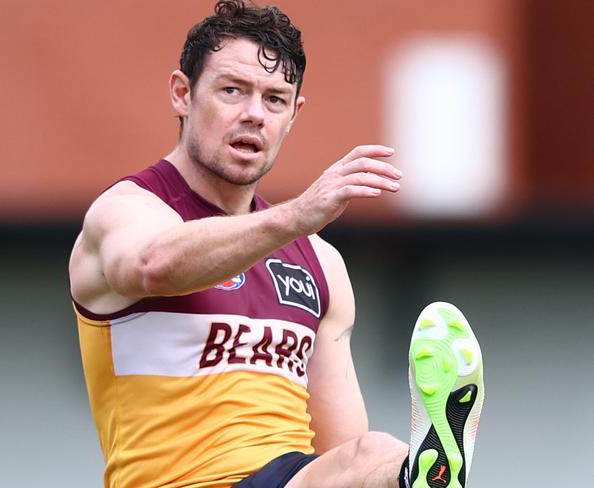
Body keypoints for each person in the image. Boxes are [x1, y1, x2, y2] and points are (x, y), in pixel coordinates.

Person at [68, 2, 484, 487]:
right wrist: (295, 216)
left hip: (285, 479)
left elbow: (341, 448)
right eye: (232, 91)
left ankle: (424, 474)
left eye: (274, 100)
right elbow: (152, 265)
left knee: (375, 455)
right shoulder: (126, 211)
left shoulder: (320, 263)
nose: (253, 115)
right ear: (182, 94)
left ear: (293, 115)